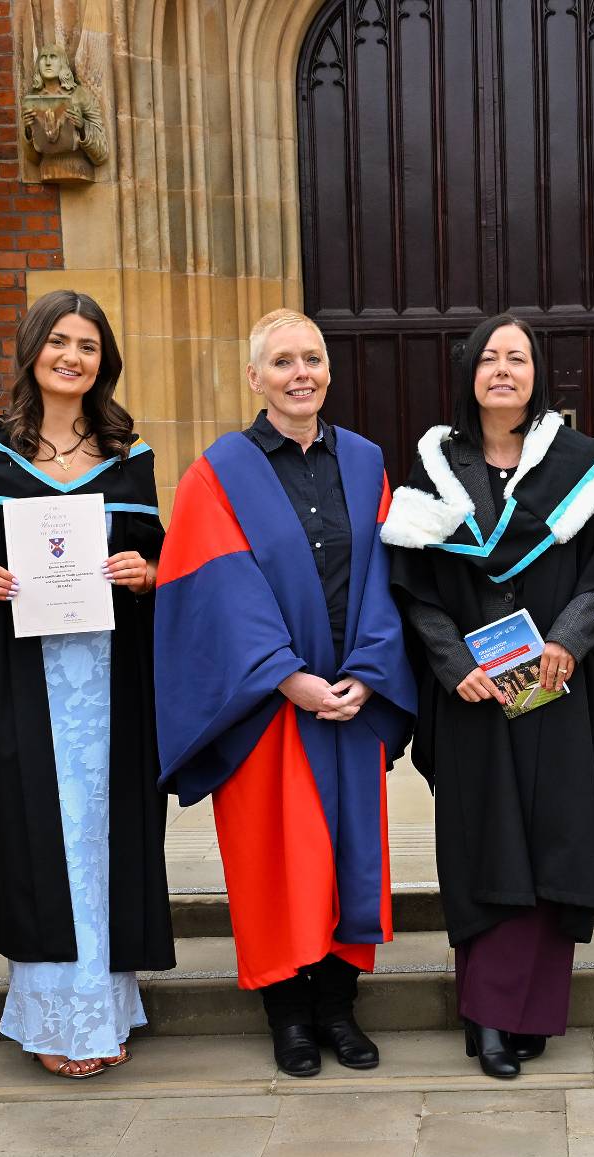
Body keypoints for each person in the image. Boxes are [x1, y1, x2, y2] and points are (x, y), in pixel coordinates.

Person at [156, 309, 416, 1078]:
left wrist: (368, 670)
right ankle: (288, 1014)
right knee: (277, 857)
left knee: (348, 855)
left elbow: (387, 577)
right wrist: (286, 676)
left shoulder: (367, 462)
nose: (300, 373)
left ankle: (338, 1007)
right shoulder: (219, 471)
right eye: (281, 362)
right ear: (254, 377)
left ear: (328, 371)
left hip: (350, 696)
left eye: (312, 359)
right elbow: (215, 590)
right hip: (266, 705)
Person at [0, 290, 174, 1079]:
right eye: (60, 341)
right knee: (35, 834)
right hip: (17, 678)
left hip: (111, 683)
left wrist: (147, 574)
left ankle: (106, 1006)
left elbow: (160, 560)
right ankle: (51, 1013)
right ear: (33, 347)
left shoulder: (129, 454)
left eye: (90, 345)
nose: (73, 356)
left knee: (107, 833)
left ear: (106, 361)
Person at [382, 313, 594, 1079]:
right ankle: (491, 1016)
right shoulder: (432, 471)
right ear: (468, 373)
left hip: (557, 685)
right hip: (474, 693)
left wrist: (566, 642)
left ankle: (532, 1014)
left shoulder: (588, 467)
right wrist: (453, 661)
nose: (502, 369)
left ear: (537, 373)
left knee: (554, 834)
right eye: (488, 357)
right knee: (483, 837)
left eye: (516, 357)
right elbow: (414, 588)